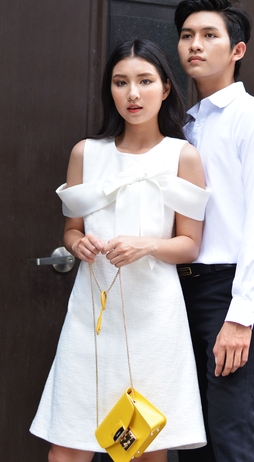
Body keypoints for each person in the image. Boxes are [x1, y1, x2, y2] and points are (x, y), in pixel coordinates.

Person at [30, 39, 210, 462]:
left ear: (165, 88)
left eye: (145, 81)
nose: (132, 93)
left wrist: (146, 244)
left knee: (144, 445)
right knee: (67, 444)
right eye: (120, 82)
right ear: (110, 90)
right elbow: (71, 230)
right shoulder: (86, 154)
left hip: (154, 317)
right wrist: (80, 243)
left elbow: (190, 245)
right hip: (91, 314)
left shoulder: (182, 156)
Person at [174, 0, 254, 462]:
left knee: (229, 431)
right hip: (179, 288)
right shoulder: (184, 125)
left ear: (237, 50)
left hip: (230, 290)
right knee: (190, 434)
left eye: (208, 35)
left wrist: (240, 317)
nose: (195, 45)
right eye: (186, 36)